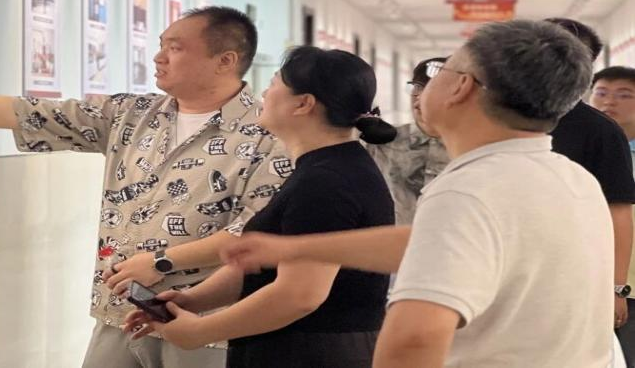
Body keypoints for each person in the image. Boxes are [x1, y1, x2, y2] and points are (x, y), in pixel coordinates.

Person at [0, 6, 289, 368]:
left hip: (207, 321)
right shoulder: (132, 115)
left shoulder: (268, 133)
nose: (159, 57)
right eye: (160, 45)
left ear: (226, 60)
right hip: (122, 310)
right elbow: (20, 112)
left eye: (175, 47)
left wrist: (162, 262)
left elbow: (253, 234)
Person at [222, 20, 614, 367]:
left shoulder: (468, 191)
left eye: (441, 69)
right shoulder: (570, 177)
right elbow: (438, 242)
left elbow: (415, 338)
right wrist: (295, 249)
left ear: (460, 86)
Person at [121, 46, 396, 367]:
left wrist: (201, 331)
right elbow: (264, 269)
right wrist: (190, 301)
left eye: (274, 83)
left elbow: (299, 295)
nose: (264, 93)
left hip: (312, 354)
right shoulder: (324, 168)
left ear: (303, 104)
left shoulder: (327, 182)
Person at [546, 18, 635, 331]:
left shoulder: (600, 130)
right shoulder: (496, 116)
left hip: (576, 274)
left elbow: (618, 210)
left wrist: (616, 288)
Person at [368, 56, 449, 224]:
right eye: (417, 87)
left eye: (431, 88)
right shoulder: (386, 142)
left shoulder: (471, 147)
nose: (419, 98)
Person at [591, 65, 635, 367]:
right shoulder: (580, 151)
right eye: (602, 93)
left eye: (624, 95)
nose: (609, 102)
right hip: (592, 279)